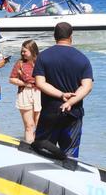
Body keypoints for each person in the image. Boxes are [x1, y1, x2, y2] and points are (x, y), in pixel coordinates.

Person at [33, 22, 93, 158]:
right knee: (70, 155)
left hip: (49, 112)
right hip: (73, 114)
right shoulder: (82, 59)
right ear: (71, 36)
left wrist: (61, 95)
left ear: (55, 36)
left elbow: (40, 83)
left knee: (42, 152)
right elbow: (87, 86)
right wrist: (70, 102)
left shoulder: (44, 56)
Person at [9, 40, 41, 143]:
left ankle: (38, 146)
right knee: (29, 125)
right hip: (25, 93)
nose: (22, 53)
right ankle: (29, 147)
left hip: (39, 93)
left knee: (40, 124)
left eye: (25, 51)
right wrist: (24, 84)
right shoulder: (20, 63)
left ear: (32, 50)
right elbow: (11, 79)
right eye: (22, 51)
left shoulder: (41, 62)